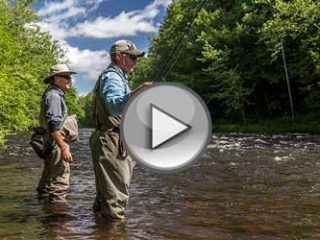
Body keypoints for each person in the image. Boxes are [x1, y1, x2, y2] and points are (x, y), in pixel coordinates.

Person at [90, 40, 152, 220]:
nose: (136, 62)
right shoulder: (112, 77)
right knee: (115, 199)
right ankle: (114, 233)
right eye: (132, 57)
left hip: (110, 137)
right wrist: (138, 91)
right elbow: (113, 105)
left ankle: (101, 232)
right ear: (119, 57)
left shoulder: (118, 77)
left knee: (106, 197)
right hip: (111, 140)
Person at [36, 64, 78, 202]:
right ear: (55, 79)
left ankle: (46, 213)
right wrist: (63, 147)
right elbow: (54, 124)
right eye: (65, 77)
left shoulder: (51, 94)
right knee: (60, 184)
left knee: (46, 183)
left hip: (51, 143)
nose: (69, 80)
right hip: (56, 144)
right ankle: (59, 219)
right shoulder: (54, 97)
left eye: (69, 77)